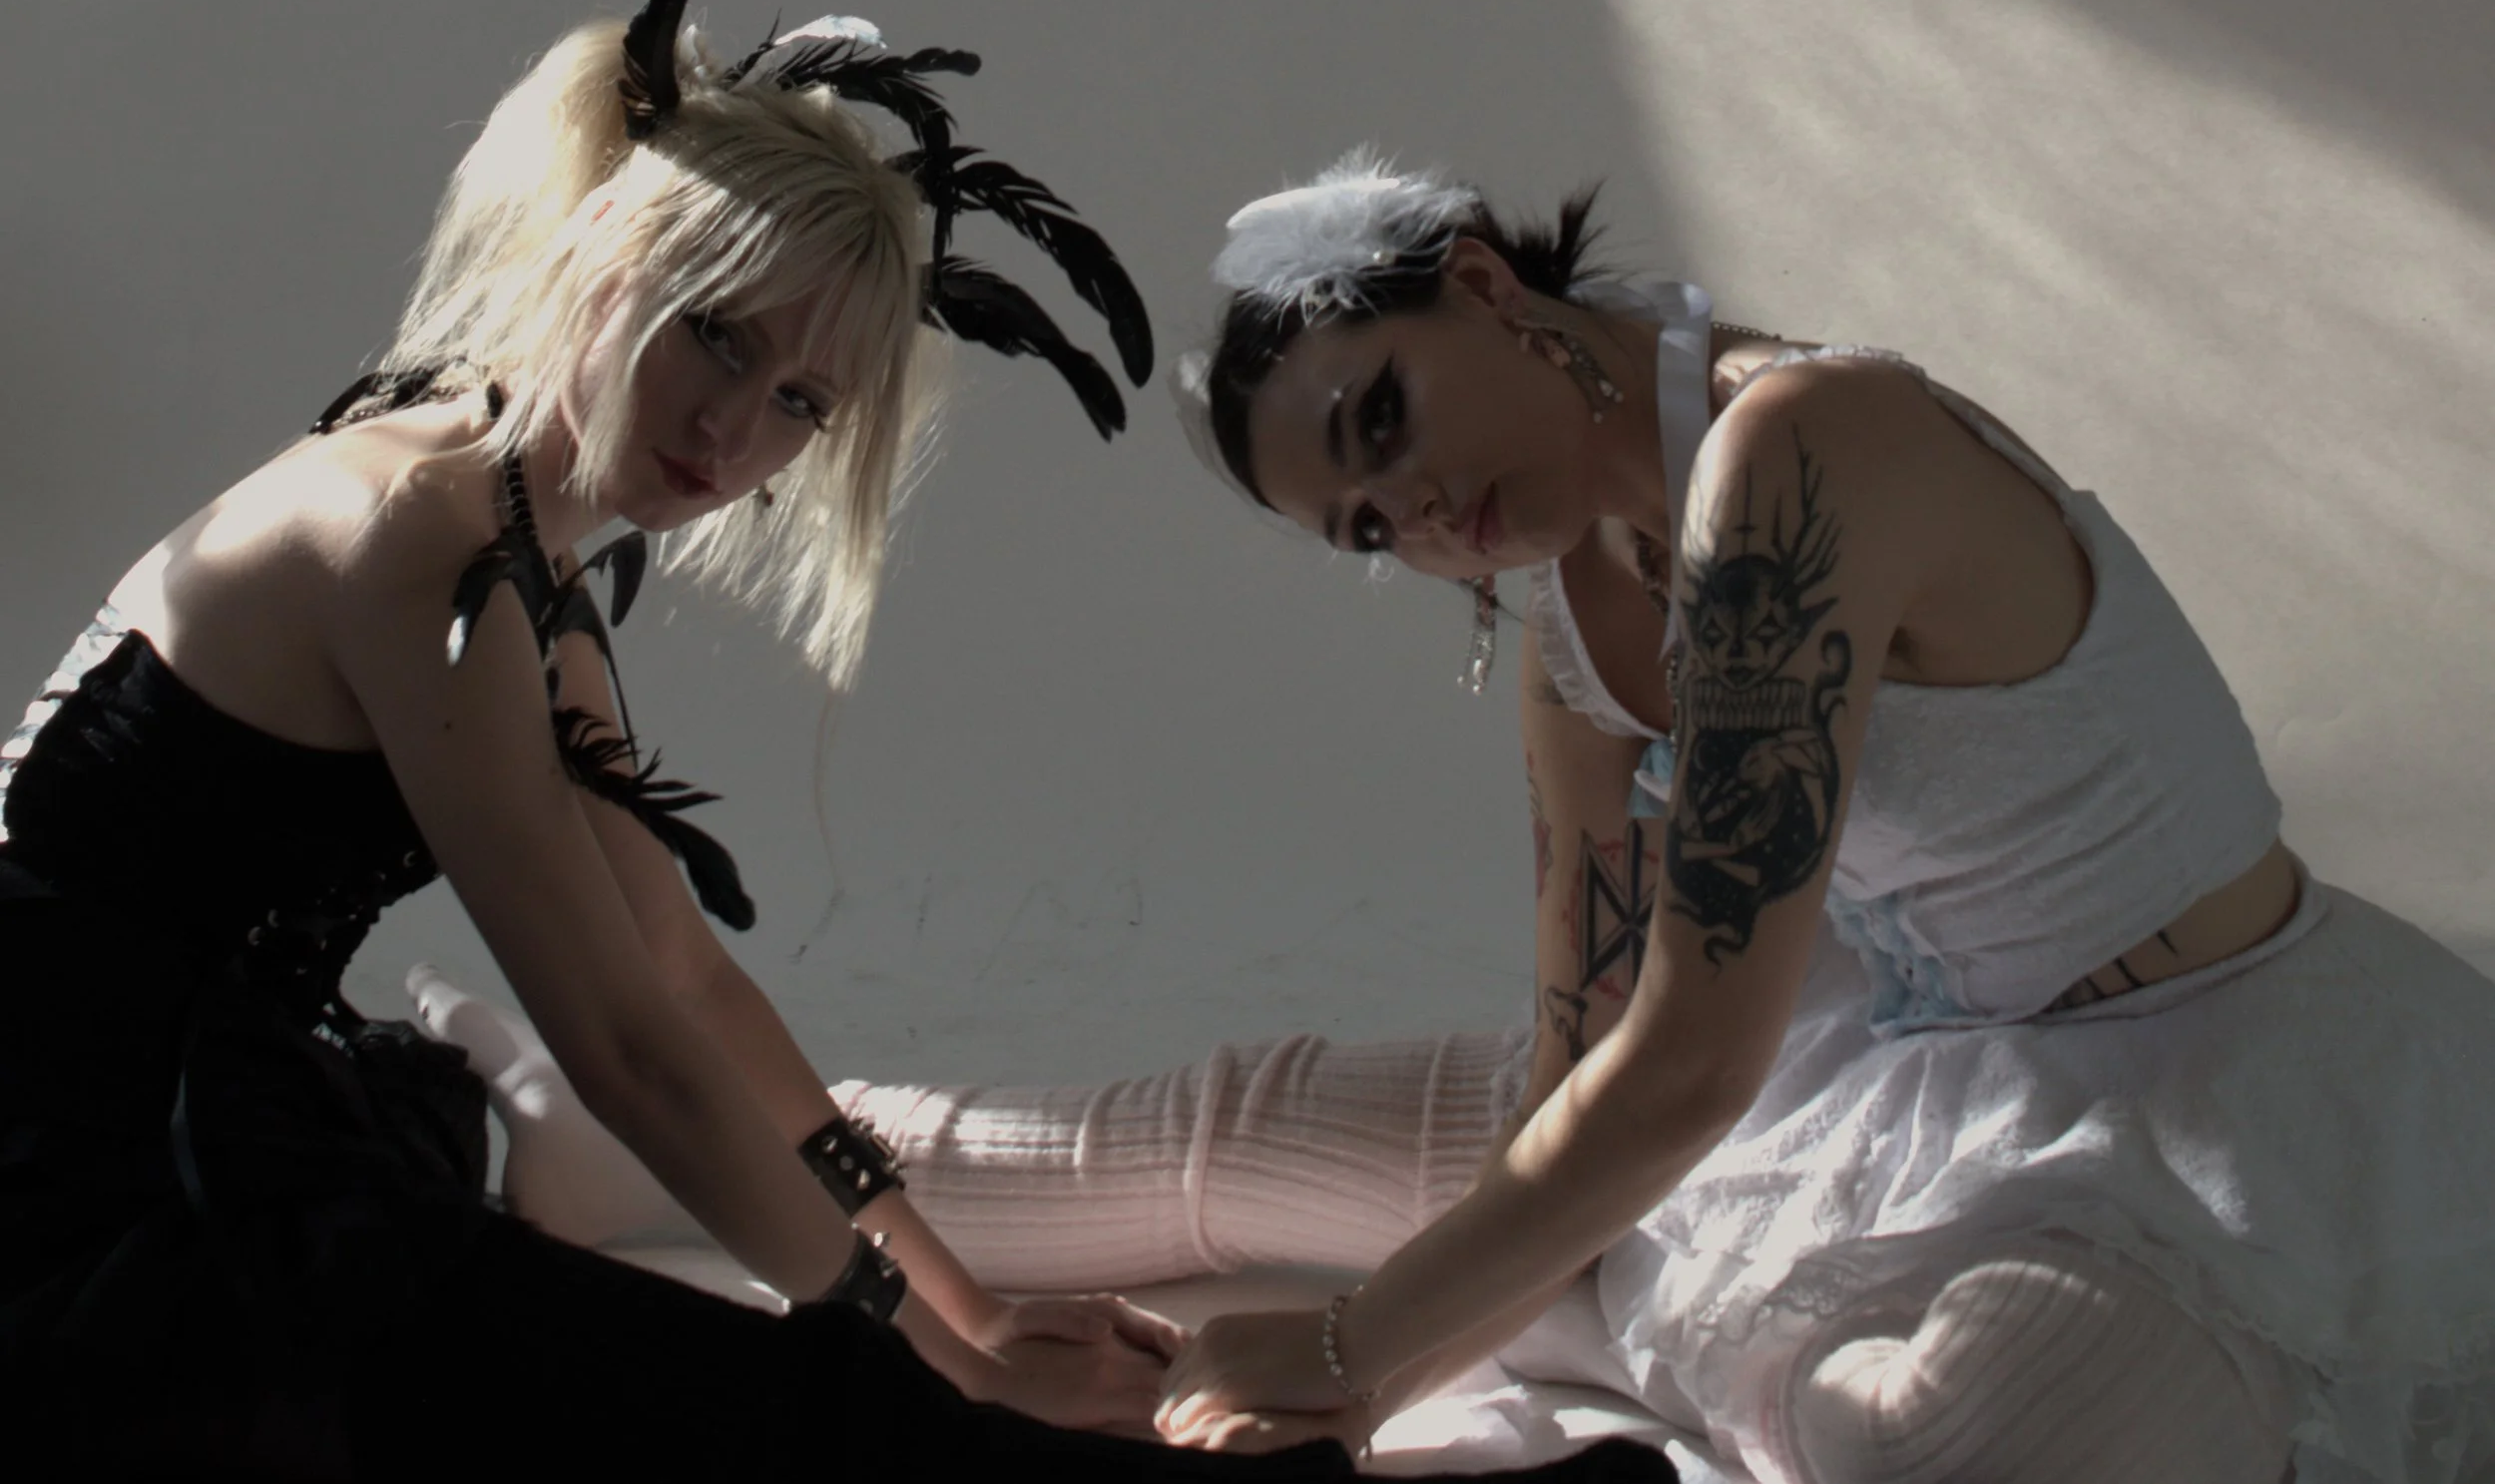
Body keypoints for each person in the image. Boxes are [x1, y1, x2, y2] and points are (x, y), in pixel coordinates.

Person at [846, 157, 2495, 1483]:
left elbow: (1684, 1069)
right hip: (1858, 1075)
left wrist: (1362, 1352)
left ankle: (1650, 1322)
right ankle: (615, 1103)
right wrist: (1410, 1304)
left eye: (1386, 421)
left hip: (2203, 1091)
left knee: (1945, 1438)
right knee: (1210, 1136)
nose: (1415, 518)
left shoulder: (1807, 446)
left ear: (1486, 285)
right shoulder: (1570, 636)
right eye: (1366, 527)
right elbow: (1590, 1052)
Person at [0, 0, 1212, 1481]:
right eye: (715, 334)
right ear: (601, 259)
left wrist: (966, 1318)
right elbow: (626, 1052)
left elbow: (682, 979)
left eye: (798, 402)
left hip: (191, 1103)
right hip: (65, 1182)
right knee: (807, 1422)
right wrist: (919, 1366)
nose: (729, 428)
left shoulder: (523, 555)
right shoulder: (411, 543)